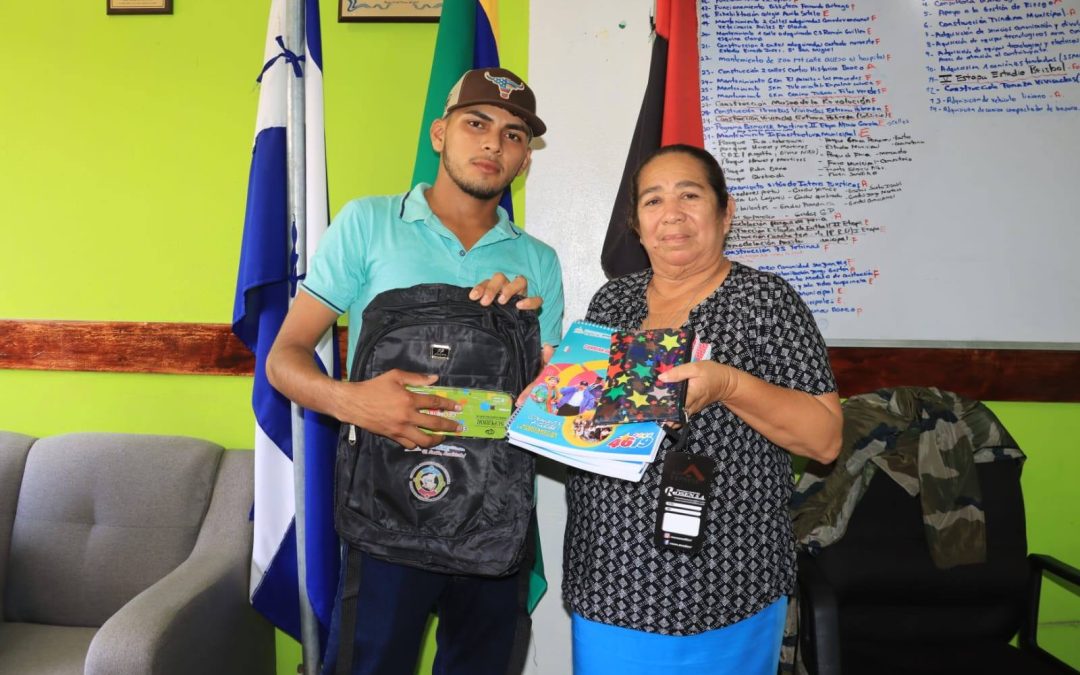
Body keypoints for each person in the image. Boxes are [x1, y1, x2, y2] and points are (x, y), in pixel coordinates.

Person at [265, 67, 564, 675]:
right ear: (439, 133)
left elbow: (547, 404)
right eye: (475, 124)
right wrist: (356, 402)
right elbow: (283, 359)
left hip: (494, 520)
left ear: (524, 160)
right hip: (386, 518)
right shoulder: (368, 223)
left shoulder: (538, 261)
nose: (492, 144)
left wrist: (522, 339)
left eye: (512, 135)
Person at [563, 144, 842, 674]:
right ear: (637, 225)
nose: (672, 214)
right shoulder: (611, 303)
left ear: (724, 211)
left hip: (724, 586)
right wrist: (562, 387)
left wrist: (729, 386)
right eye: (653, 201)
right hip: (608, 578)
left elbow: (825, 439)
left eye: (690, 195)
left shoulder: (766, 302)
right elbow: (595, 422)